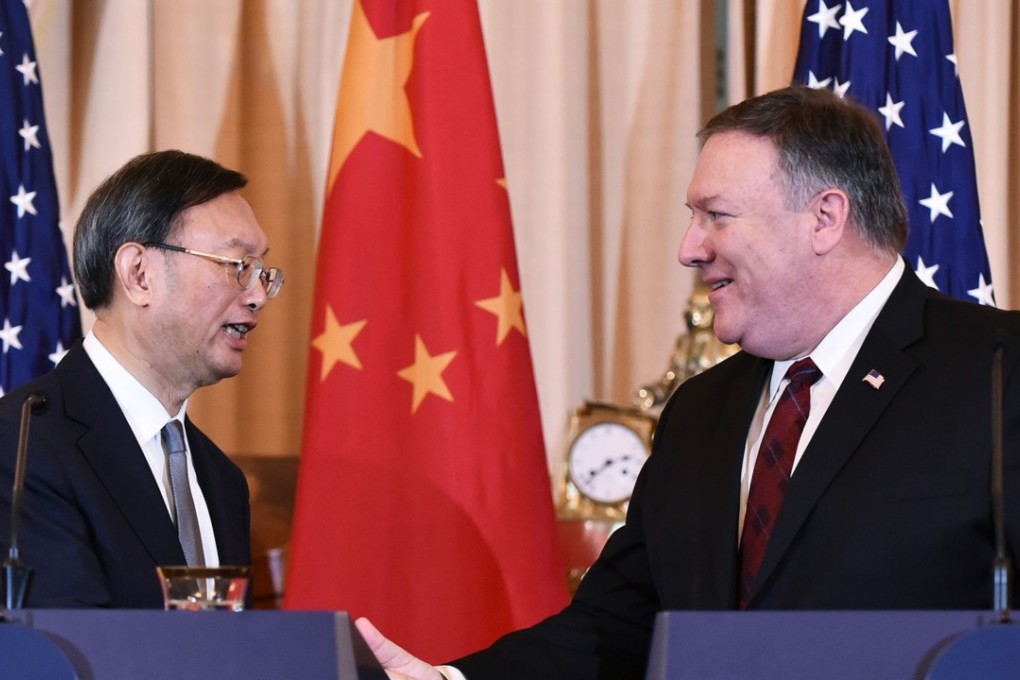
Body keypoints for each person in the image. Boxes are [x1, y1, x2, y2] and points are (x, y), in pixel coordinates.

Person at [352, 85, 1020, 679]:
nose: (689, 248)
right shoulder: (703, 410)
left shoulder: (997, 370)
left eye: (716, 216)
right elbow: (615, 629)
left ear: (824, 218)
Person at [0, 150, 283, 607]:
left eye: (261, 272)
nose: (257, 296)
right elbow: (67, 659)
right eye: (237, 266)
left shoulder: (221, 479)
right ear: (139, 274)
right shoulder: (20, 448)